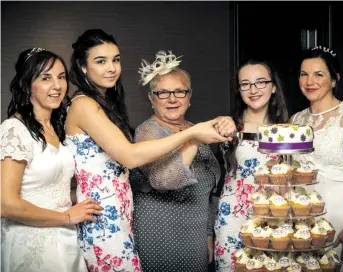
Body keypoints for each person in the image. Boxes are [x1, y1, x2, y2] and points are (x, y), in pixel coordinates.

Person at [65, 29, 233, 271]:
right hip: (104, 215)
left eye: (116, 59)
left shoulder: (105, 106)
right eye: (100, 61)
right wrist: (192, 136)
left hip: (120, 212)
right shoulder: (84, 104)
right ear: (82, 67)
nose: (111, 68)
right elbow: (130, 157)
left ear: (189, 97)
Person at [129, 50, 236, 272]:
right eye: (163, 93)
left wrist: (208, 234)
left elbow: (208, 191)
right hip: (159, 235)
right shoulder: (148, 131)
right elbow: (163, 180)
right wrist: (194, 138)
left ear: (189, 96)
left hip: (195, 236)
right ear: (151, 98)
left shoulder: (195, 129)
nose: (172, 99)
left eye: (179, 91)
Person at [1, 48, 103, 272]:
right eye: (46, 78)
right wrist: (66, 216)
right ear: (27, 84)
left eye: (61, 77)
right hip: (31, 243)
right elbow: (6, 204)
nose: (57, 86)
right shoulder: (14, 130)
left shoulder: (59, 128)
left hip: (67, 240)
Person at [214, 59, 289, 272]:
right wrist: (221, 122)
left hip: (273, 219)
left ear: (273, 86)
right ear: (239, 90)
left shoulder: (287, 128)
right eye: (245, 84)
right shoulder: (227, 125)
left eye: (261, 82)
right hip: (234, 217)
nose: (253, 89)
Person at [291, 46, 343, 271]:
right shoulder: (295, 120)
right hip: (303, 222)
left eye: (318, 74)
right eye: (304, 74)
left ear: (334, 80)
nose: (309, 81)